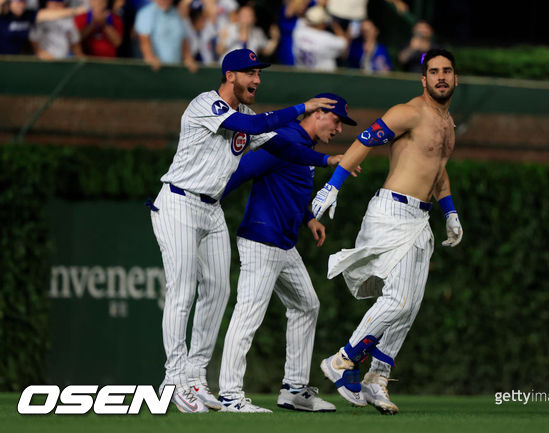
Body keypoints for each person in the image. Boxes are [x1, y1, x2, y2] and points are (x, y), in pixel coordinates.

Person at [148, 48, 339, 414]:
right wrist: (302, 107)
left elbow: (284, 146)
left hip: (212, 208)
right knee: (182, 290)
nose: (257, 80)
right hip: (178, 202)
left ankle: (196, 377)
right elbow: (251, 128)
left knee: (218, 292)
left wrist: (327, 159)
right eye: (251, 73)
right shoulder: (206, 104)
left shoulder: (248, 115)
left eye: (259, 73)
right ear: (231, 75)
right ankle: (173, 379)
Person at [311, 48, 464, 414]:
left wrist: (450, 211)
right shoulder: (408, 112)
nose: (440, 77)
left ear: (455, 78)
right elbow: (365, 140)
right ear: (423, 79)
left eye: (447, 71)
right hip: (392, 211)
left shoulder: (448, 124)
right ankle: (342, 360)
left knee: (408, 309)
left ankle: (376, 378)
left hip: (420, 219)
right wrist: (333, 185)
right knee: (398, 300)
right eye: (433, 71)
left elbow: (437, 172)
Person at [216, 93, 358, 413]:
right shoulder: (285, 138)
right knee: (249, 314)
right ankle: (229, 395)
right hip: (261, 239)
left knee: (307, 305)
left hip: (283, 243)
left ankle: (294, 389)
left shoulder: (303, 146)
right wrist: (206, 205)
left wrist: (308, 218)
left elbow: (288, 183)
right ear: (319, 112)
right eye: (336, 120)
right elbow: (241, 171)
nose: (338, 129)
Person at [0, 0, 85, 55]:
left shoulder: (27, 15)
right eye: (18, 1)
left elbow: (48, 14)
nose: (21, 4)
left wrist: (76, 10)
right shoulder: (3, 16)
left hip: (16, 59)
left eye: (24, 1)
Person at [134, 0, 197, 72]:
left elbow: (183, 39)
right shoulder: (145, 13)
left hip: (175, 69)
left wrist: (188, 58)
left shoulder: (177, 13)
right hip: (155, 70)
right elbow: (144, 39)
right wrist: (149, 57)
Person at [292, 5, 347, 72]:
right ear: (322, 23)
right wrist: (334, 24)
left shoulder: (298, 32)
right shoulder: (326, 38)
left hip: (302, 74)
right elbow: (344, 42)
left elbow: (303, 21)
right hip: (323, 77)